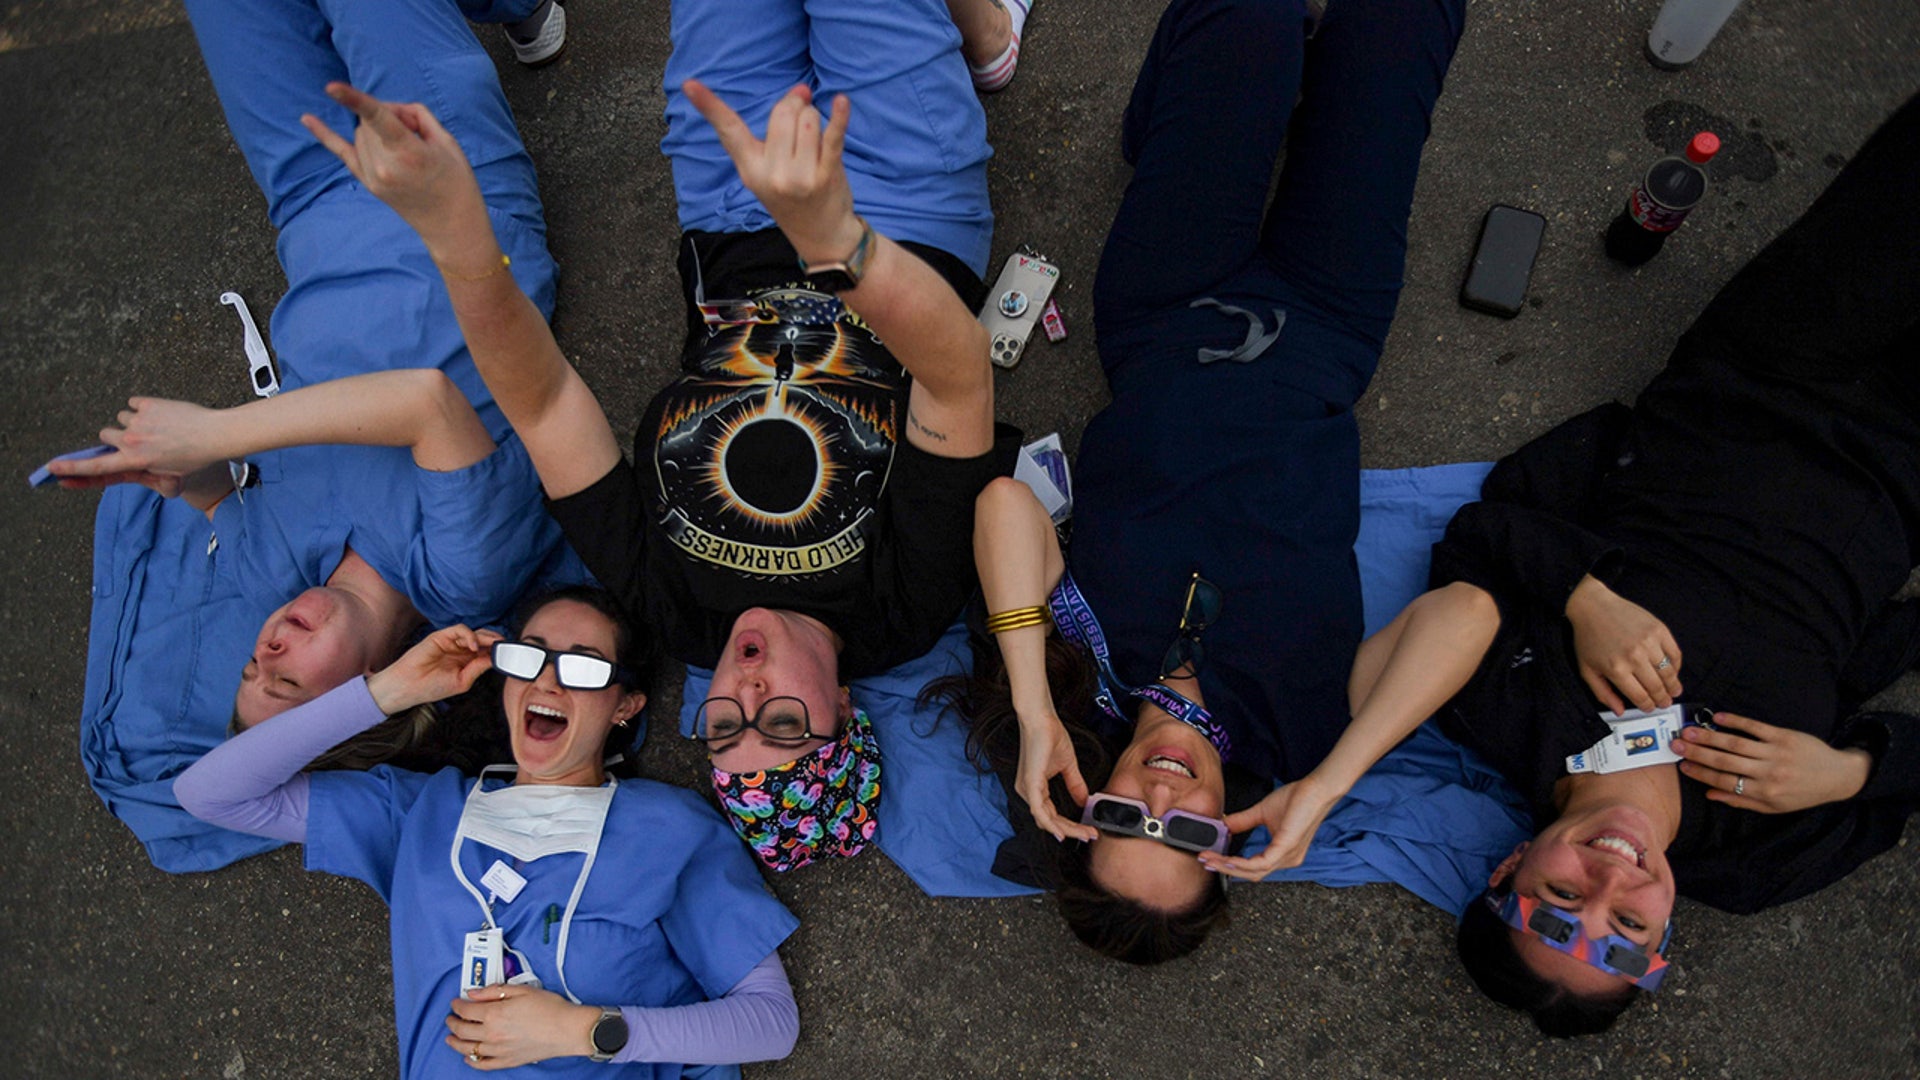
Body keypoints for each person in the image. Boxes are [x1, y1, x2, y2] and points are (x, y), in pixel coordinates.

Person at [1206, 93, 1920, 1034]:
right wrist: (1854, 772)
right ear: (1663, 940)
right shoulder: (1755, 862)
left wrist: (1586, 597)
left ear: (1508, 870)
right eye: (1626, 922)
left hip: (1762, 374)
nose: (1612, 877)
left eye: (1559, 900)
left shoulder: (1507, 713)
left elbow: (1474, 564)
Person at [302, 0, 1023, 870]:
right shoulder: (902, 609)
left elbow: (544, 408)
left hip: (728, 208)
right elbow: (956, 379)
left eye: (725, 725)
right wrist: (837, 242)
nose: (747, 690)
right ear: (843, 705)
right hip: (901, 216)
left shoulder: (670, 609)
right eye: (784, 723)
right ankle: (983, 30)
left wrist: (457, 237)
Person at [946, 0, 1467, 963]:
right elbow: (1468, 613)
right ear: (1232, 841)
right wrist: (1331, 783)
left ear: (1083, 799)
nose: (1163, 798)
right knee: (1399, 30)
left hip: (1165, 310)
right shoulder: (1304, 727)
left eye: (1122, 819)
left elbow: (1004, 506)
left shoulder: (1073, 677)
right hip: (1326, 327)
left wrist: (1030, 709)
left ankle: (1169, 109)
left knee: (1253, 24)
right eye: (1187, 833)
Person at [47, 0, 581, 872]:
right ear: (368, 698)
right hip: (441, 176)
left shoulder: (288, 567)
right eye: (288, 680)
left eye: (253, 670)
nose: (267, 647)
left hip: (308, 200)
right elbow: (424, 402)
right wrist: (218, 427)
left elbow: (223, 491)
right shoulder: (464, 576)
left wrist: (177, 475)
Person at [177, 586, 800, 1077]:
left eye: (584, 669)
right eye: (530, 657)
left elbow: (771, 1021)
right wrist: (393, 688)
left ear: (625, 707)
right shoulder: (420, 812)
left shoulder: (669, 830)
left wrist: (581, 1031)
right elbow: (208, 793)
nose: (548, 682)